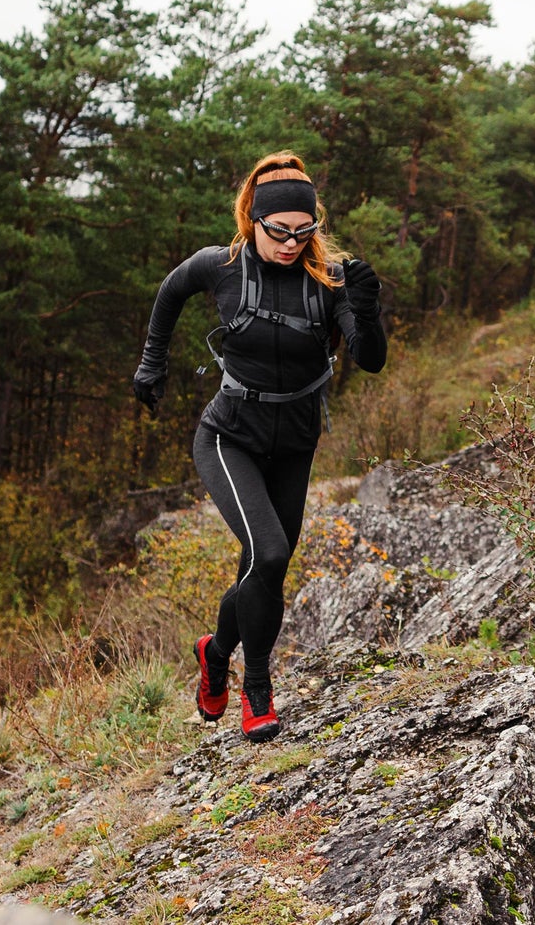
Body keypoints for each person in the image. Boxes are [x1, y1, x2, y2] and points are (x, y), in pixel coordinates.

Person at [130, 152, 385, 742]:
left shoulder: (332, 280)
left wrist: (367, 312)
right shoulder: (221, 267)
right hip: (229, 437)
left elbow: (369, 359)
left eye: (305, 231)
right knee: (269, 555)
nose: (292, 243)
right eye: (279, 232)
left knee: (261, 567)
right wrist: (151, 364)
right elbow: (169, 293)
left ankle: (215, 652)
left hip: (295, 443)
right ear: (253, 221)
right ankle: (258, 689)